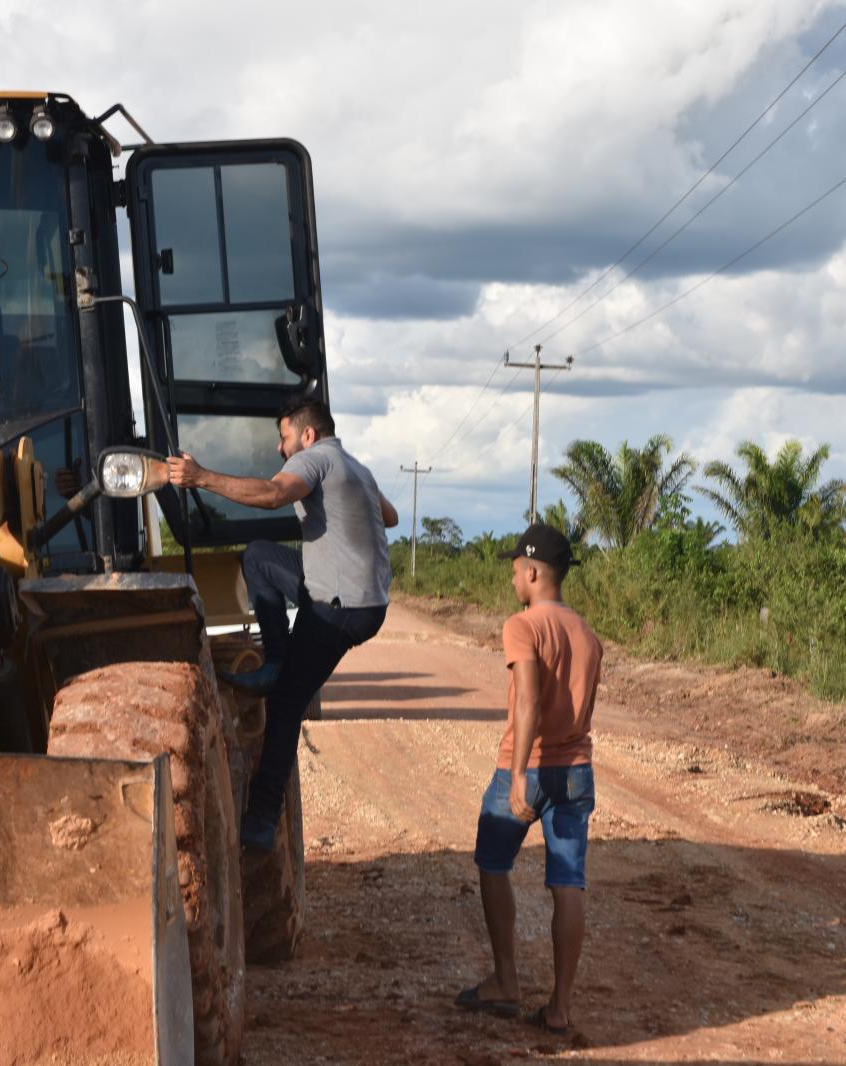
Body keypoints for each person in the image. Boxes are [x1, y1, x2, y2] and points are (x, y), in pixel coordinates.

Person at [167, 397, 399, 851]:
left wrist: (202, 477)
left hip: (339, 608)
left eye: (285, 436)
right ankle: (277, 655)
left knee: (287, 703)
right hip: (364, 601)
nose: (280, 447)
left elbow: (273, 495)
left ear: (307, 434)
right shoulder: (355, 468)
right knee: (260, 557)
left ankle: (261, 819)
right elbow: (389, 517)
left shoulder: (313, 461)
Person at [455, 522, 602, 1036]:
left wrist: (518, 773)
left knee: (492, 863)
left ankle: (506, 981)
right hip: (577, 771)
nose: (514, 575)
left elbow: (530, 700)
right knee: (568, 883)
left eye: (517, 567)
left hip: (530, 764)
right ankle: (560, 1008)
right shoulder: (587, 633)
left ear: (534, 570)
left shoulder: (522, 626)